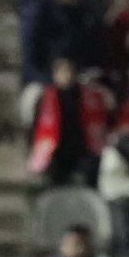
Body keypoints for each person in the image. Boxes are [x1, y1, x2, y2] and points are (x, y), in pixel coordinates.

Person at [28, 55, 113, 186]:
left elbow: (103, 121)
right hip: (55, 150)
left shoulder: (90, 95)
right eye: (62, 72)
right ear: (55, 75)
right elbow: (36, 127)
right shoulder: (45, 98)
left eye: (69, 71)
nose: (66, 75)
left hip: (85, 147)